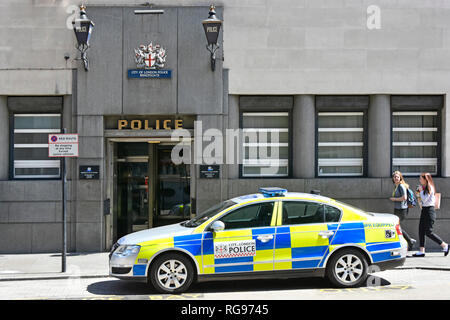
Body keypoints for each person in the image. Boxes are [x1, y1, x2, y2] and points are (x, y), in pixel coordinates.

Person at [413, 172, 449, 257]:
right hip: (424, 210)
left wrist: (421, 191)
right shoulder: (424, 188)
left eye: (421, 179)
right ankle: (422, 251)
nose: (419, 180)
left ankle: (445, 245)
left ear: (426, 179)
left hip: (430, 211)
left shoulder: (430, 188)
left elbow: (425, 200)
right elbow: (421, 202)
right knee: (421, 230)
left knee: (428, 232)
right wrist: (418, 194)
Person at [389, 171, 416, 251]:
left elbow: (404, 197)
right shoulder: (396, 186)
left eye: (397, 177)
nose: (396, 178)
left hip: (402, 209)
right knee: (396, 227)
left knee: (397, 227)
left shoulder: (401, 186)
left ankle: (410, 241)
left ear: (400, 178)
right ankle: (408, 241)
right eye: (394, 177)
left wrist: (394, 199)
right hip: (397, 209)